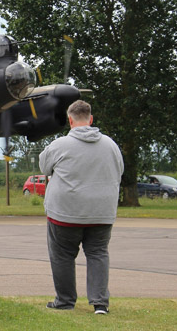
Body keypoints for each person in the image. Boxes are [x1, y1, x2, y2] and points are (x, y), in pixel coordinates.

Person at [39, 100, 123, 315]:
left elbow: (44, 167)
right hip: (102, 211)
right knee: (98, 253)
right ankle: (100, 303)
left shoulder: (59, 145)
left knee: (62, 255)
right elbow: (119, 170)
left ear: (70, 120)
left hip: (65, 211)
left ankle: (65, 300)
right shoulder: (111, 145)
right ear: (91, 119)